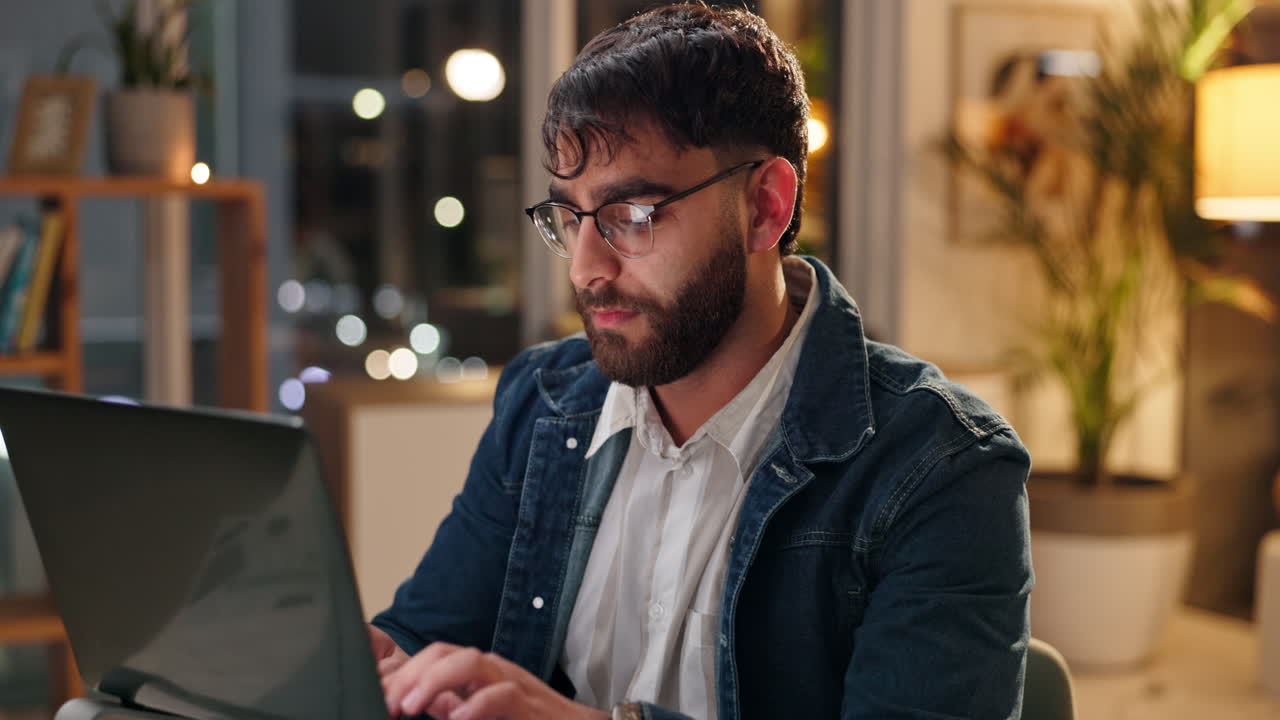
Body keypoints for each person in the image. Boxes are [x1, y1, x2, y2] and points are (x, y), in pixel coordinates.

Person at [369, 4, 1033, 719]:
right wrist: (366, 667)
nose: (586, 269)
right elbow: (426, 639)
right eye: (570, 217)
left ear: (765, 207)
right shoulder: (543, 401)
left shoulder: (941, 468)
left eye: (633, 215)